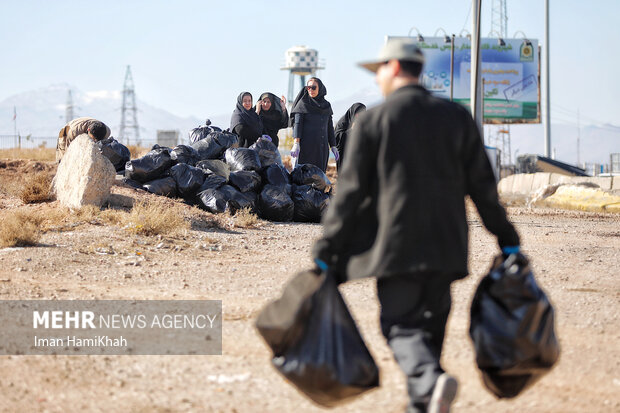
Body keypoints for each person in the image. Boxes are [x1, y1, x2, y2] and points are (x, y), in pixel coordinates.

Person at [312, 39, 521, 413]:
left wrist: (326, 248)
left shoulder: (374, 121)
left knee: (400, 328)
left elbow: (351, 193)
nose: (378, 81)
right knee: (429, 333)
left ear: (393, 68)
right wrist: (507, 238)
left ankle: (427, 381)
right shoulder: (456, 117)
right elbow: (483, 188)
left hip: (396, 248)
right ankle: (423, 400)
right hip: (447, 247)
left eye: (379, 72)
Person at [289, 77, 339, 172]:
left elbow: (329, 127)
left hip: (321, 147)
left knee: (319, 176)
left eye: (313, 87)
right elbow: (298, 124)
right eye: (308, 87)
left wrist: (333, 146)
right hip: (306, 147)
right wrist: (296, 143)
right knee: (305, 176)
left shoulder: (326, 106)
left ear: (320, 88)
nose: (310, 90)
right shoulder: (303, 104)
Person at [334, 102, 366, 170]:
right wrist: (351, 130)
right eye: (358, 114)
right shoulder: (342, 123)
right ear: (353, 113)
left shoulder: (362, 123)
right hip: (344, 157)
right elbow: (336, 139)